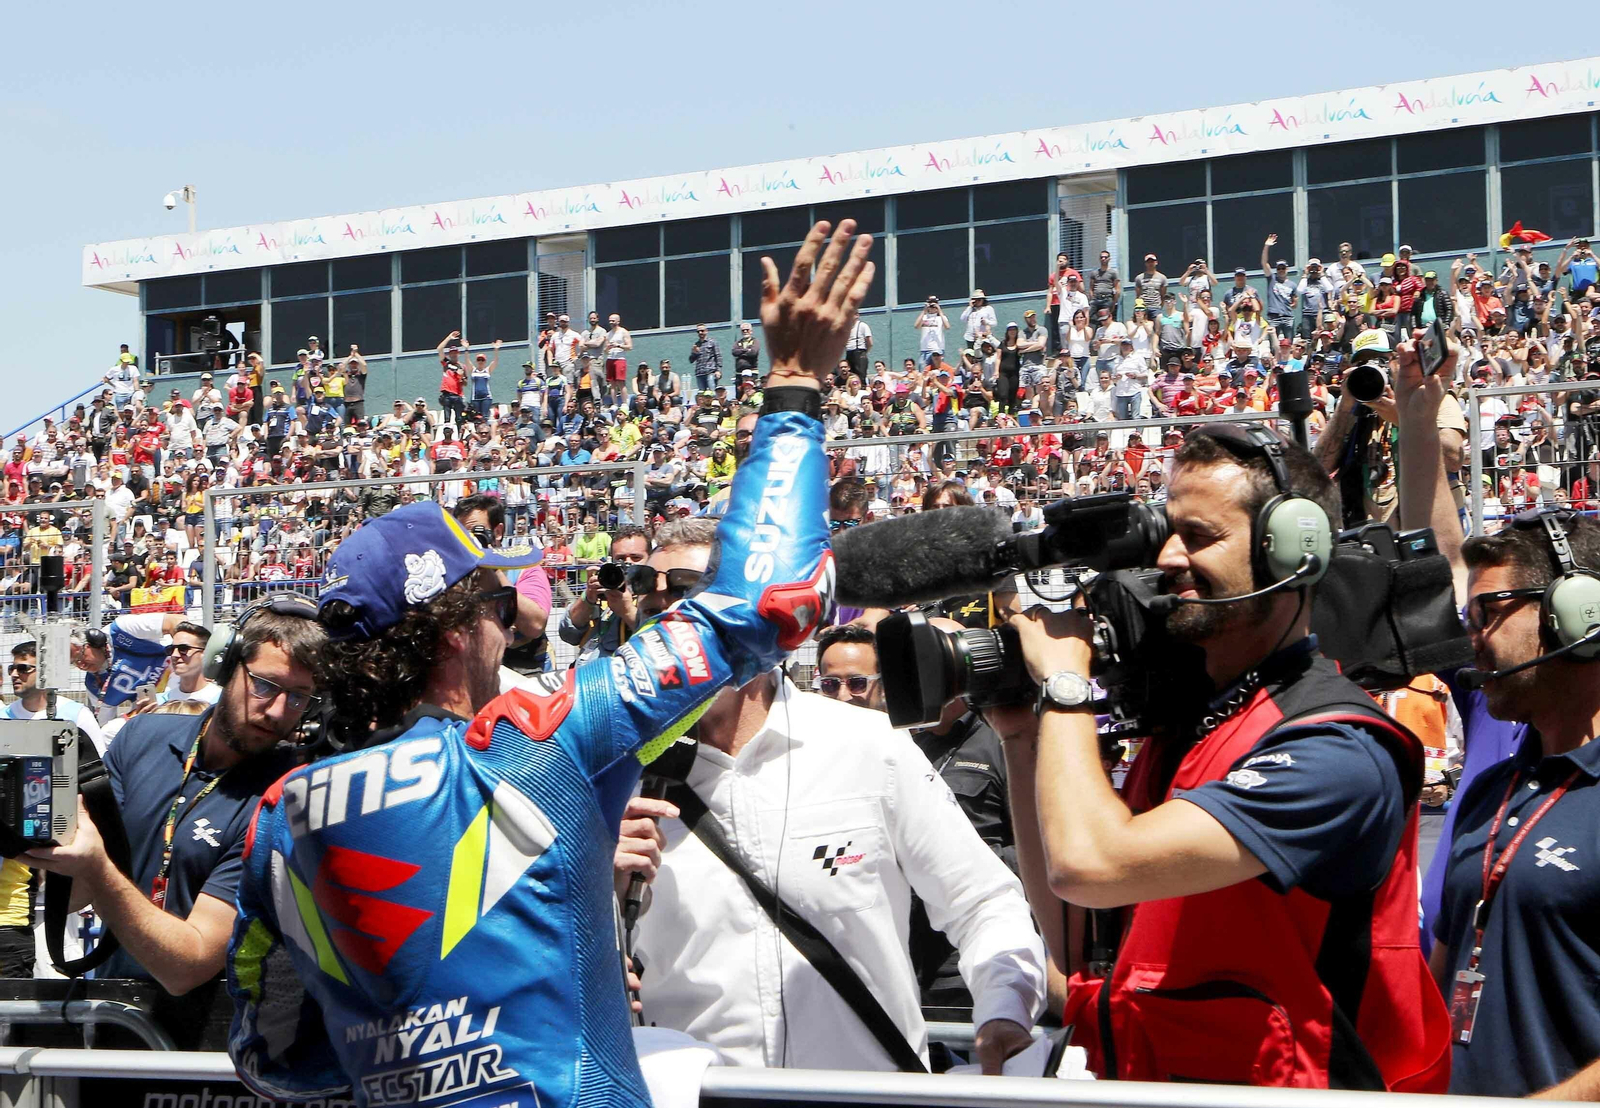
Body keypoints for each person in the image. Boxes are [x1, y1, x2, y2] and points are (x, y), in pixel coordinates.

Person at [225, 217, 870, 1107]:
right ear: (456, 632)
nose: (514, 625)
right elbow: (774, 597)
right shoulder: (537, 743)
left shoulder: (276, 824)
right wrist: (796, 383)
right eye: (496, 608)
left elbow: (274, 1058)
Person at [992, 420, 1449, 1088]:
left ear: (1292, 553)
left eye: (1200, 537)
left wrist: (1066, 680)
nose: (1170, 558)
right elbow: (1072, 930)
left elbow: (1090, 863)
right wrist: (1022, 736)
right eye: (1168, 531)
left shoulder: (1338, 745)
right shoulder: (1185, 723)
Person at [620, 524, 1045, 1073]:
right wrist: (594, 906)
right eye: (651, 603)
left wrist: (1002, 1013)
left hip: (866, 1096)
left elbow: (982, 901)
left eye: (686, 595)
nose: (667, 627)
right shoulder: (613, 776)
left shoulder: (868, 744)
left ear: (753, 616)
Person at [25, 598, 325, 1046]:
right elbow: (72, 894)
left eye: (298, 697)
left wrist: (96, 867)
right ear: (225, 665)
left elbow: (187, 967)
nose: (280, 711)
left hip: (216, 1041)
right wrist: (43, 835)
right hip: (115, 1017)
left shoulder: (288, 793)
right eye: (265, 686)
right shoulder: (142, 737)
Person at [1428, 507, 1600, 1097]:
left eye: (1487, 613)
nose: (1471, 637)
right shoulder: (1487, 792)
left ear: (1577, 618)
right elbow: (1439, 981)